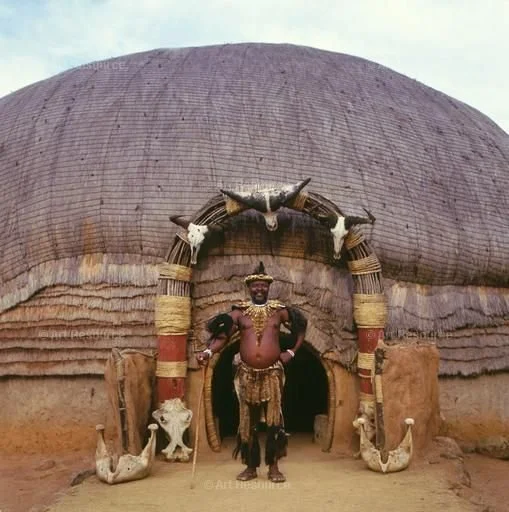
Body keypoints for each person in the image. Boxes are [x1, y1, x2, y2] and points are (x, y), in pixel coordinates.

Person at [196, 262, 307, 483]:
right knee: (248, 421)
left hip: (273, 373)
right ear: (249, 288)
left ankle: (274, 467)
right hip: (247, 374)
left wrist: (292, 353)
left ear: (268, 288)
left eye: (263, 286)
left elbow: (301, 327)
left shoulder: (279, 311)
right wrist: (208, 352)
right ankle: (250, 466)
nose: (259, 289)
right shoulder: (239, 313)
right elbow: (222, 337)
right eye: (255, 286)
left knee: (274, 420)